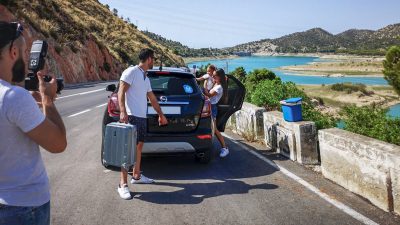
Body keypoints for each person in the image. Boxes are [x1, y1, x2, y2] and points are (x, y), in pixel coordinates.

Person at [0, 22, 67, 224]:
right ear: (13, 52)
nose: (27, 58)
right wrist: (47, 99)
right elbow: (58, 144)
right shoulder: (13, 97)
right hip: (22, 207)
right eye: (24, 51)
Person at [117, 48, 168, 200]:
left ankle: (137, 175)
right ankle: (122, 184)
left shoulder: (145, 77)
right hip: (131, 116)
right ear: (149, 59)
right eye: (153, 59)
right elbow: (121, 91)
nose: (153, 61)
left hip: (141, 118)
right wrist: (122, 111)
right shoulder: (131, 72)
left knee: (139, 146)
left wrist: (161, 115)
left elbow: (152, 98)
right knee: (127, 150)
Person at [203, 68, 229, 158]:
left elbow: (208, 95)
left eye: (214, 75)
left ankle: (225, 148)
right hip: (209, 106)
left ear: (220, 77)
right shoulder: (216, 84)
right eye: (212, 75)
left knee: (214, 129)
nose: (212, 76)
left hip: (212, 107)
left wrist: (205, 83)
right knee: (211, 129)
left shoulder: (219, 87)